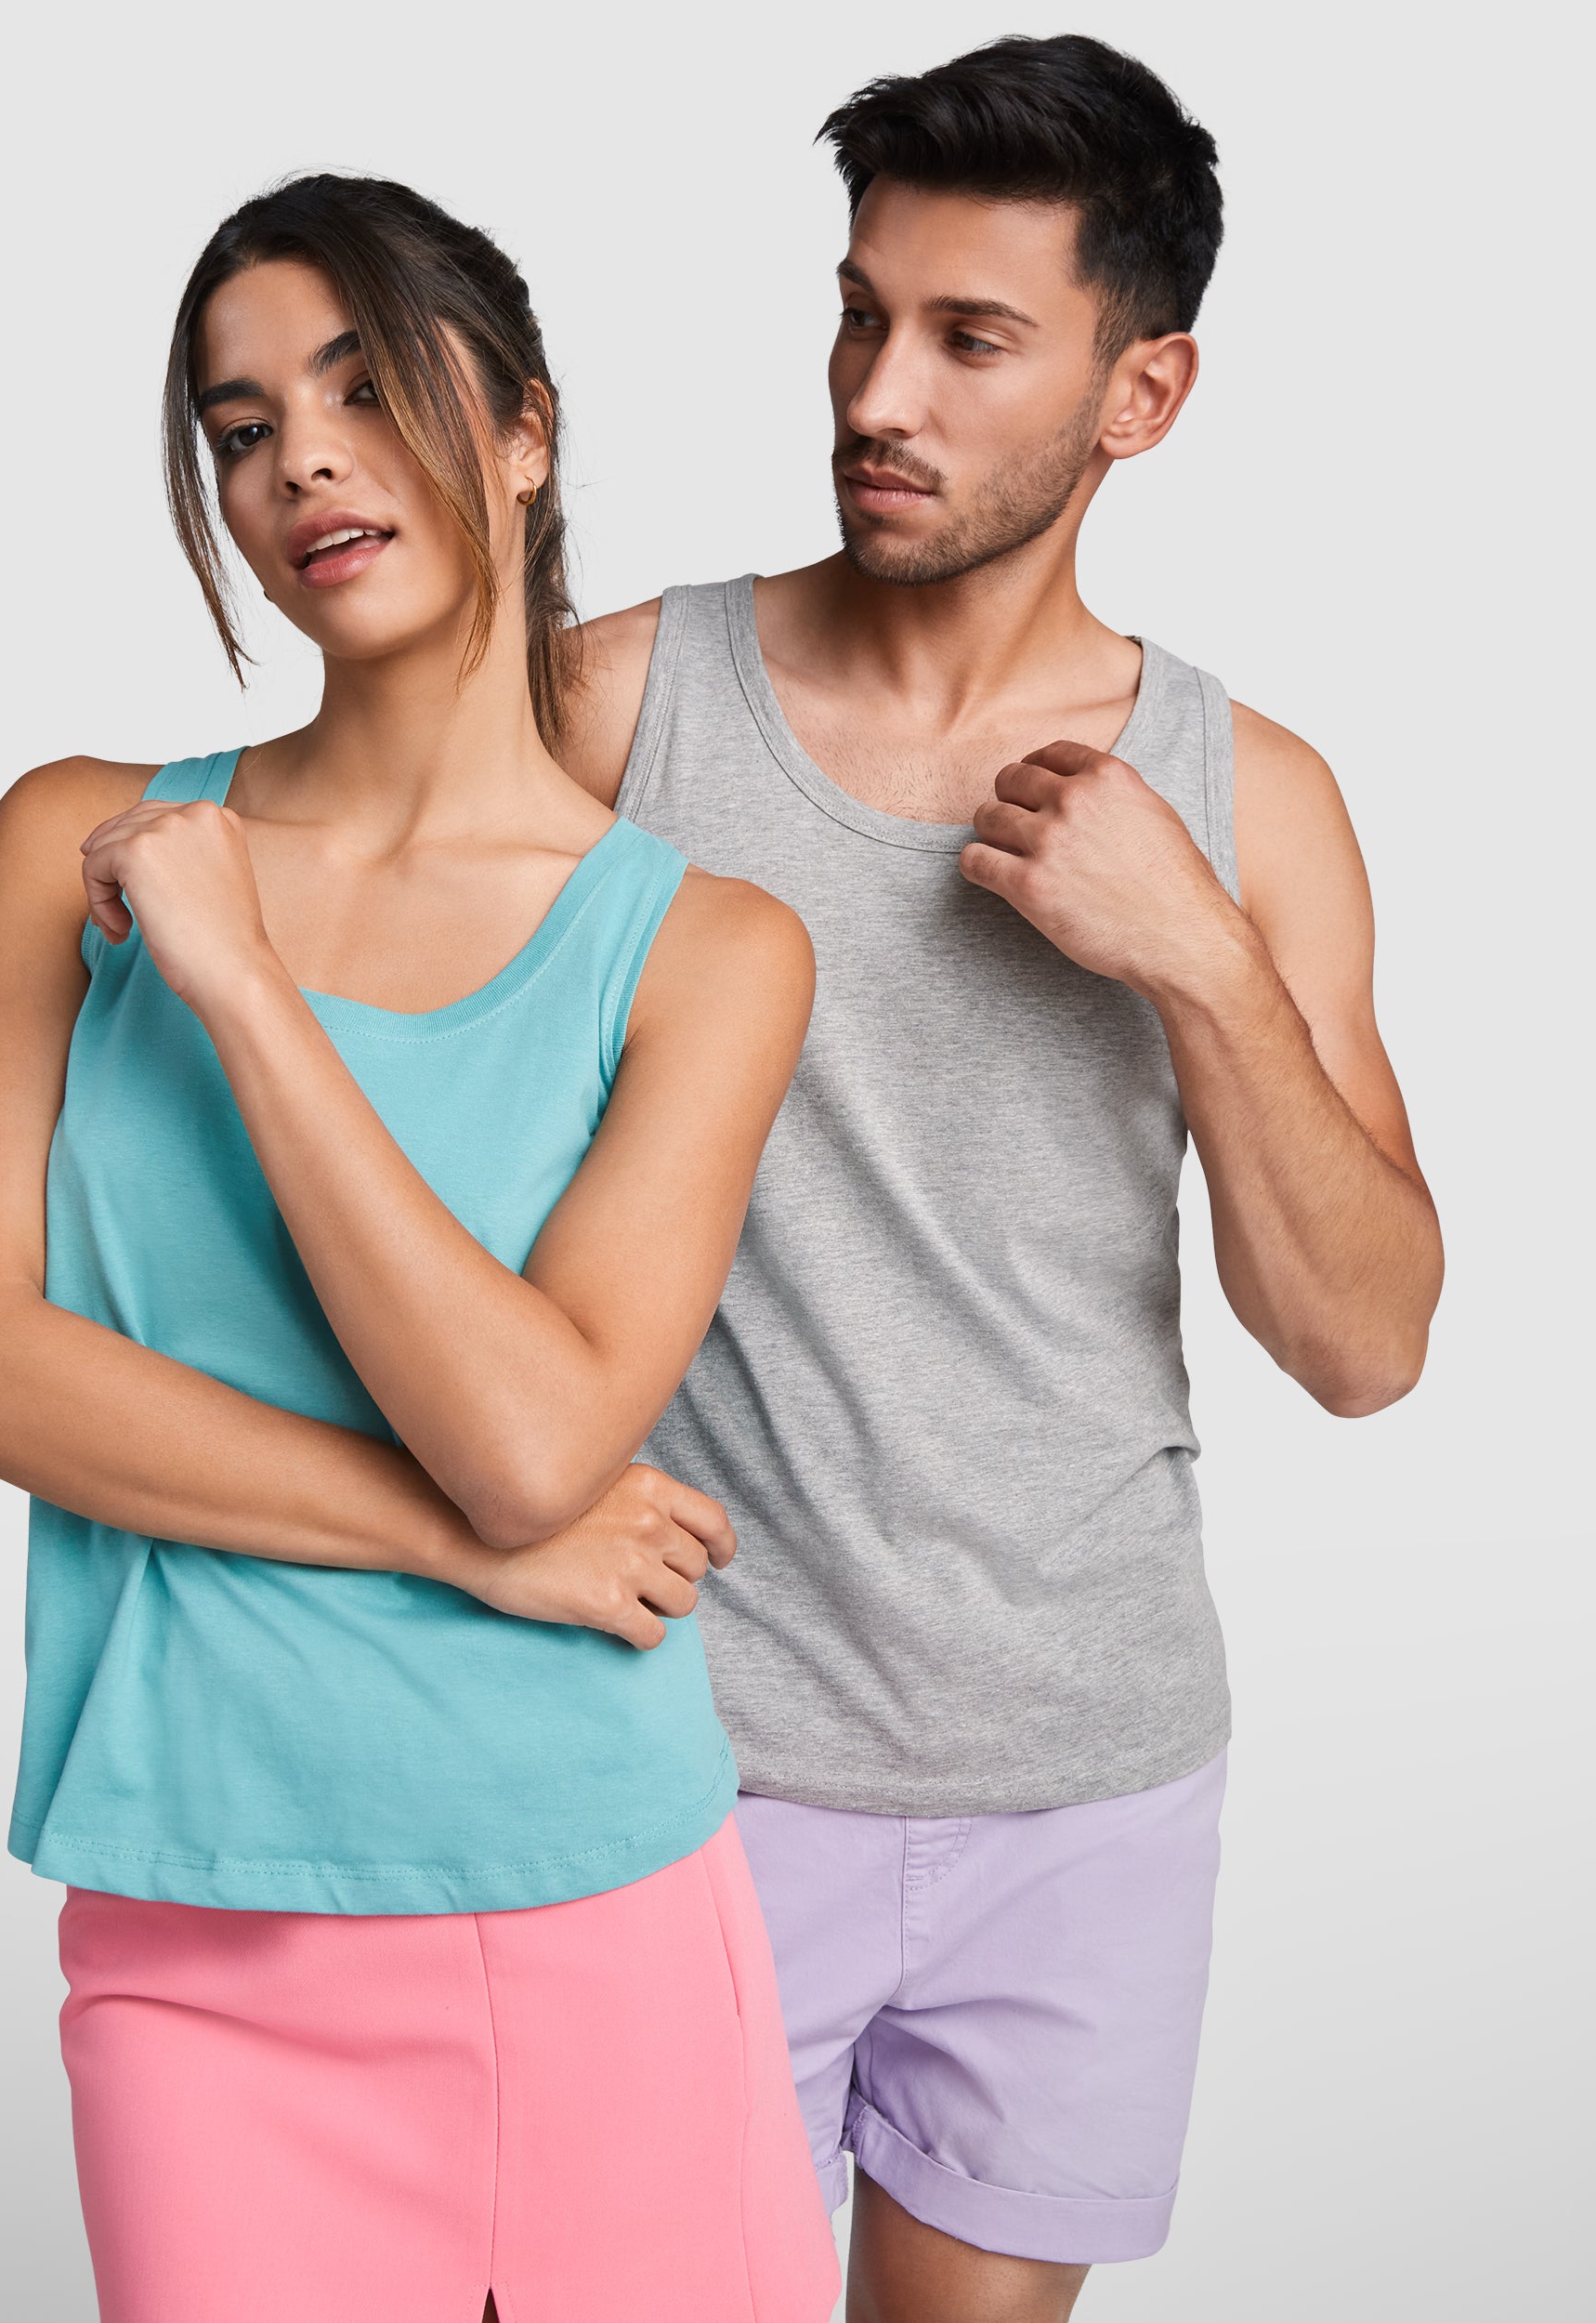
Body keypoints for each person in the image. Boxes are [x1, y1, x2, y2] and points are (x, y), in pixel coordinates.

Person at [0, 175, 838, 2323]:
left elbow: (534, 1437)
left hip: (588, 1897)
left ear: (523, 428)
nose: (300, 459)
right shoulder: (67, 843)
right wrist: (459, 1546)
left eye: (363, 387)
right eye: (242, 428)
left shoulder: (706, 949)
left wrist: (242, 984)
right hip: (194, 1908)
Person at [562, 34, 1445, 2323]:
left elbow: (1363, 1341)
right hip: (684, 1756)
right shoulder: (618, 710)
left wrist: (1200, 957)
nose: (879, 394)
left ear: (1142, 392)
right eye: (860, 317)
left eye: (970, 339)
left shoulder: (1253, 797)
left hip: (1086, 1774)